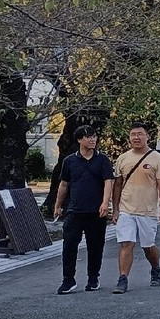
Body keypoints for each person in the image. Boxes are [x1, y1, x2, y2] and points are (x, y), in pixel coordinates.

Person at [53, 125, 115, 294]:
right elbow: (64, 184)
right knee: (69, 246)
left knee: (95, 247)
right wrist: (58, 205)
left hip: (96, 211)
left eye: (94, 136)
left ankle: (93, 278)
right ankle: (68, 280)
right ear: (80, 139)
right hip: (75, 210)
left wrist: (105, 203)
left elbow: (108, 181)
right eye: (88, 137)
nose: (92, 139)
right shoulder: (69, 161)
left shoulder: (102, 160)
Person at [111, 122, 160, 294]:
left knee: (148, 246)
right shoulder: (123, 158)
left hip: (148, 210)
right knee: (126, 243)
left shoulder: (157, 159)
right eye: (133, 134)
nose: (136, 137)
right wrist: (115, 209)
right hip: (126, 209)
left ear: (147, 137)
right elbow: (117, 185)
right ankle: (123, 278)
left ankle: (156, 268)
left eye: (140, 134)